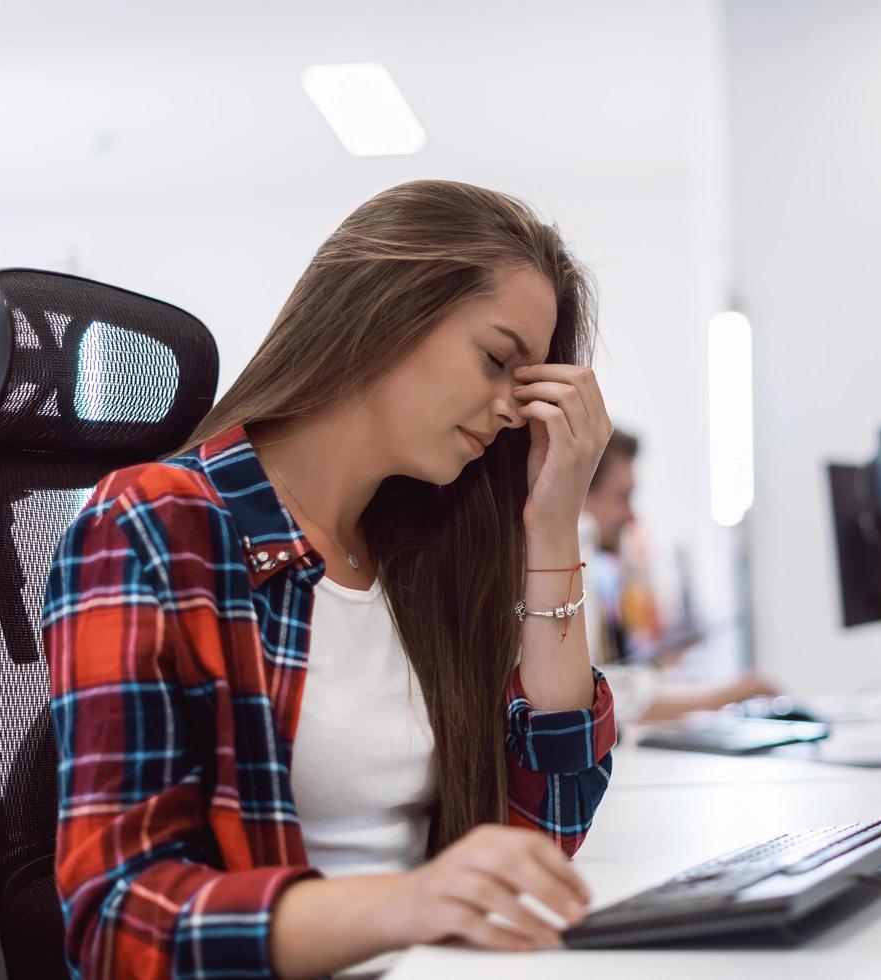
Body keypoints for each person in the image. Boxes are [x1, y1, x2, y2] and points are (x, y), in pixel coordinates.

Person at [42, 181, 617, 978]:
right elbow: (120, 919)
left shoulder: (419, 548)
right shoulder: (155, 526)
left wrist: (552, 526)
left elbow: (545, 828)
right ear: (387, 311)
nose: (511, 410)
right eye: (495, 361)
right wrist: (401, 906)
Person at [580, 429, 779, 724]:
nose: (631, 516)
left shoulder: (595, 569)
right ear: (580, 492)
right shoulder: (576, 544)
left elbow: (597, 684)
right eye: (623, 496)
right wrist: (723, 695)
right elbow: (588, 698)